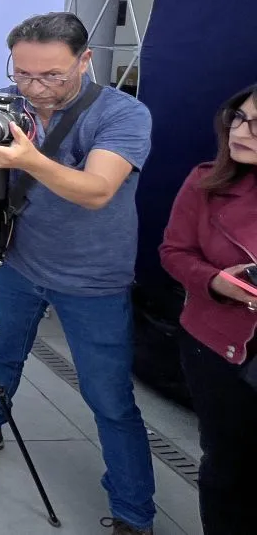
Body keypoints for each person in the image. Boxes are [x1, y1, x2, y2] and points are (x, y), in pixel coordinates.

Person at [0, 11, 156, 535]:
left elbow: (98, 191)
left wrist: (29, 158)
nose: (35, 88)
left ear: (85, 60)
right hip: (18, 259)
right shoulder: (6, 100)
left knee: (108, 397)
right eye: (23, 73)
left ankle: (134, 512)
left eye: (52, 75)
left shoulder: (122, 113)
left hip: (93, 276)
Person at [159, 84, 257, 535]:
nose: (242, 131)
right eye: (238, 118)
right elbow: (174, 252)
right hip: (217, 344)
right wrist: (216, 281)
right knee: (227, 463)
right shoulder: (205, 181)